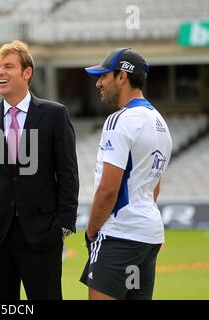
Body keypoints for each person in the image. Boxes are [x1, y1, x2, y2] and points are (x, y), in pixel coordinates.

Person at [0, 40, 79, 300]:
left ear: (27, 72)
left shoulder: (54, 115)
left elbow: (68, 173)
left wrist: (64, 225)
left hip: (42, 235)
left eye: (8, 66)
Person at [80, 48, 172, 300]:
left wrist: (90, 232)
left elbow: (108, 191)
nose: (98, 83)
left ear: (122, 77)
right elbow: (155, 188)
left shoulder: (119, 121)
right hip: (148, 236)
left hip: (118, 234)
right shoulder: (161, 123)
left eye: (104, 76)